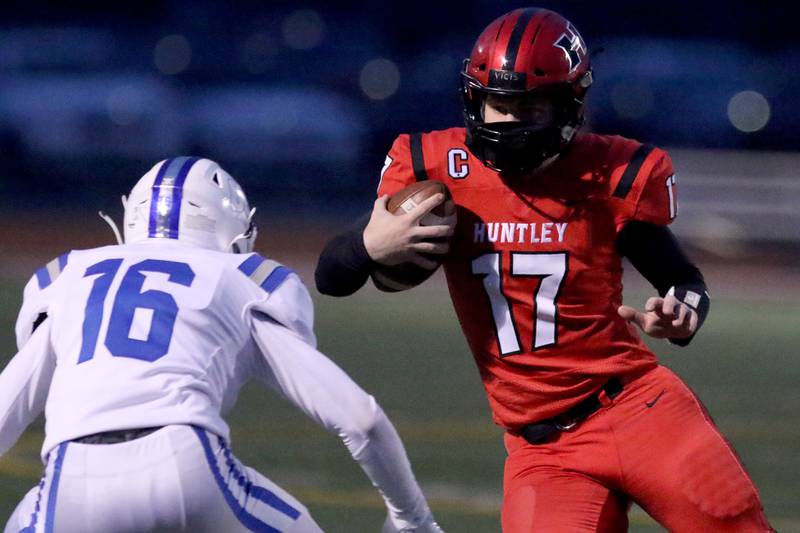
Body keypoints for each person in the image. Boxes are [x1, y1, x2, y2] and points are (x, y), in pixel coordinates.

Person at [315, 8, 774, 532]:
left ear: (569, 105)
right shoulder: (440, 170)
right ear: (474, 98)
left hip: (641, 410)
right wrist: (368, 245)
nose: (509, 121)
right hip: (544, 452)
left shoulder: (609, 173)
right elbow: (332, 278)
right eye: (498, 104)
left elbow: (682, 279)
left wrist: (683, 311)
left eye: (529, 106)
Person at [0, 157, 443, 533]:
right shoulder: (237, 278)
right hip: (182, 463)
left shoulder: (71, 278)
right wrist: (413, 520)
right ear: (232, 229)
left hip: (69, 481)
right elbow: (360, 419)